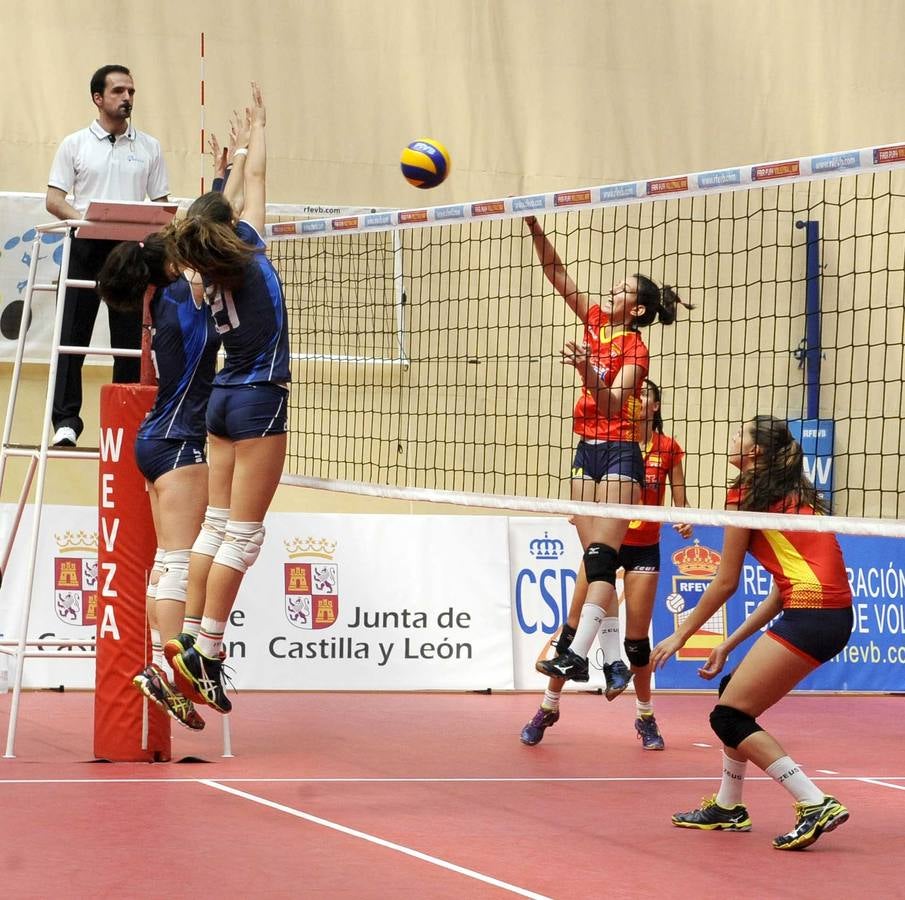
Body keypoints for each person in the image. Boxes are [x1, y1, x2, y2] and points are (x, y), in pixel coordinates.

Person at [650, 415, 853, 851]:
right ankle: (728, 806)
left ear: (755, 451)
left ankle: (812, 801)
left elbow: (725, 582)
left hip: (814, 616)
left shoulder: (745, 498)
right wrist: (728, 643)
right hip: (824, 616)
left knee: (728, 717)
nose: (731, 440)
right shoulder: (797, 495)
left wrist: (680, 635)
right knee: (731, 692)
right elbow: (783, 592)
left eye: (739, 435)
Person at [525, 215, 691, 690]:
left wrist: (584, 370)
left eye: (622, 290)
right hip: (586, 449)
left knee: (600, 557)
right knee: (598, 565)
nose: (611, 293)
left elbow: (615, 402)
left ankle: (576, 653)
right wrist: (535, 228)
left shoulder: (637, 352)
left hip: (620, 452)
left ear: (637, 310)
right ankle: (611, 661)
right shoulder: (595, 321)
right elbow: (558, 275)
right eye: (614, 287)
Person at [168, 83, 290, 715]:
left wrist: (226, 168)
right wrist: (255, 135)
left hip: (220, 402)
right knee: (241, 536)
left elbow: (221, 206)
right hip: (258, 399)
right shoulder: (249, 254)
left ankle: (189, 636)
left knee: (215, 528)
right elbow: (257, 184)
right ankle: (206, 655)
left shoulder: (197, 274)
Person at [521, 379, 692, 749]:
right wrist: (583, 514)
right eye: (633, 395)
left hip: (645, 546)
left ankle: (645, 716)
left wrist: (683, 517)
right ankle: (548, 707)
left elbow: (680, 499)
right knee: (571, 627)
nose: (637, 400)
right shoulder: (606, 444)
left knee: (637, 644)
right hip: (606, 543)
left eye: (644, 395)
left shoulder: (668, 449)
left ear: (655, 407)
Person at [46, 64, 169, 448]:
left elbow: (162, 206)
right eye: (118, 91)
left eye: (131, 91)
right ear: (98, 98)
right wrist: (89, 221)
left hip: (130, 253)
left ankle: (126, 421)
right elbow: (54, 200)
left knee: (130, 341)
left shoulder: (149, 147)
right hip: (85, 246)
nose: (127, 98)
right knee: (73, 336)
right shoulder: (74, 144)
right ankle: (66, 422)